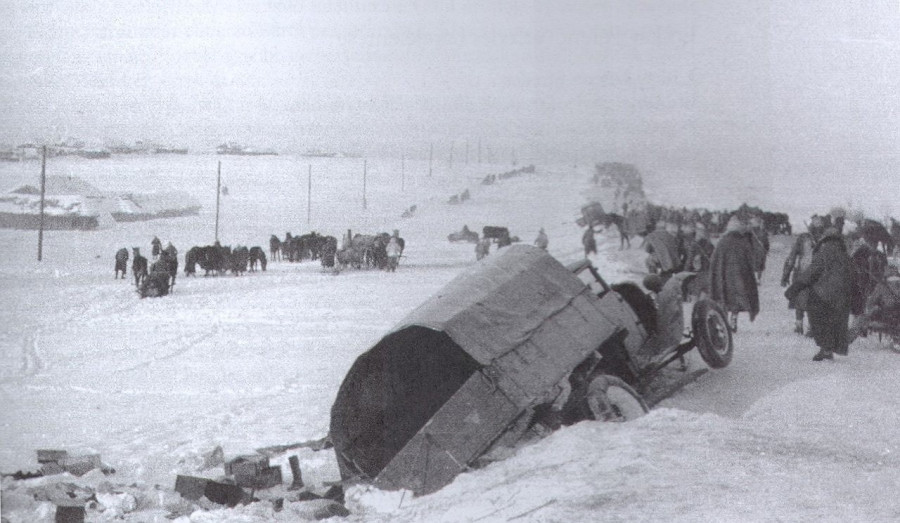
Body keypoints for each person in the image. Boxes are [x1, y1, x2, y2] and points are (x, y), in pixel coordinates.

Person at [785, 226, 853, 361]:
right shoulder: (846, 256)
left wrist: (794, 288)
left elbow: (811, 273)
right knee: (836, 323)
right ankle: (829, 349)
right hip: (842, 296)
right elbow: (853, 277)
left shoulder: (823, 253)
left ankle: (825, 349)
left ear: (825, 240)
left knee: (820, 320)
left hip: (822, 295)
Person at [709, 215, 759, 332]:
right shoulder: (743, 242)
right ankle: (733, 319)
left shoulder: (722, 242)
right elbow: (751, 258)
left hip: (724, 276)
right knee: (736, 299)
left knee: (724, 298)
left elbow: (715, 259)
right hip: (740, 276)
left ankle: (724, 322)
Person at [781, 216, 823, 335]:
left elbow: (792, 258)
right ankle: (810, 327)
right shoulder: (824, 240)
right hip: (818, 275)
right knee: (814, 299)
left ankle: (799, 325)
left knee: (800, 298)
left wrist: (785, 275)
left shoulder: (803, 238)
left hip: (802, 273)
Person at [749, 215, 770, 284]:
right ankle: (758, 280)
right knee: (760, 266)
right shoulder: (763, 232)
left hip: (753, 251)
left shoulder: (751, 232)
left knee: (752, 265)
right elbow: (766, 242)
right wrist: (767, 250)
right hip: (761, 251)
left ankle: (753, 279)